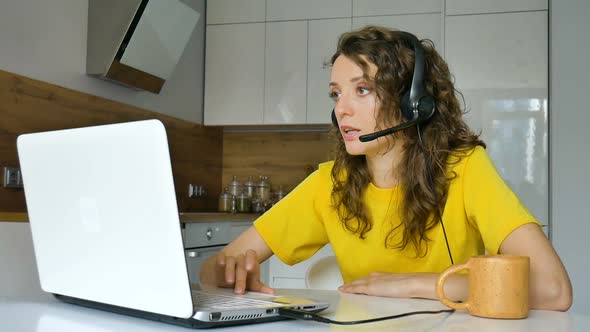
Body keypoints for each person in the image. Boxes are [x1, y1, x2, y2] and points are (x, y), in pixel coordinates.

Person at [200, 26, 572, 311]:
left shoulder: (466, 169)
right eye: (336, 93)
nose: (341, 109)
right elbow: (213, 268)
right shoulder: (329, 183)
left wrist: (417, 284)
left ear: (413, 103)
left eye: (362, 89)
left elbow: (553, 290)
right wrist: (230, 275)